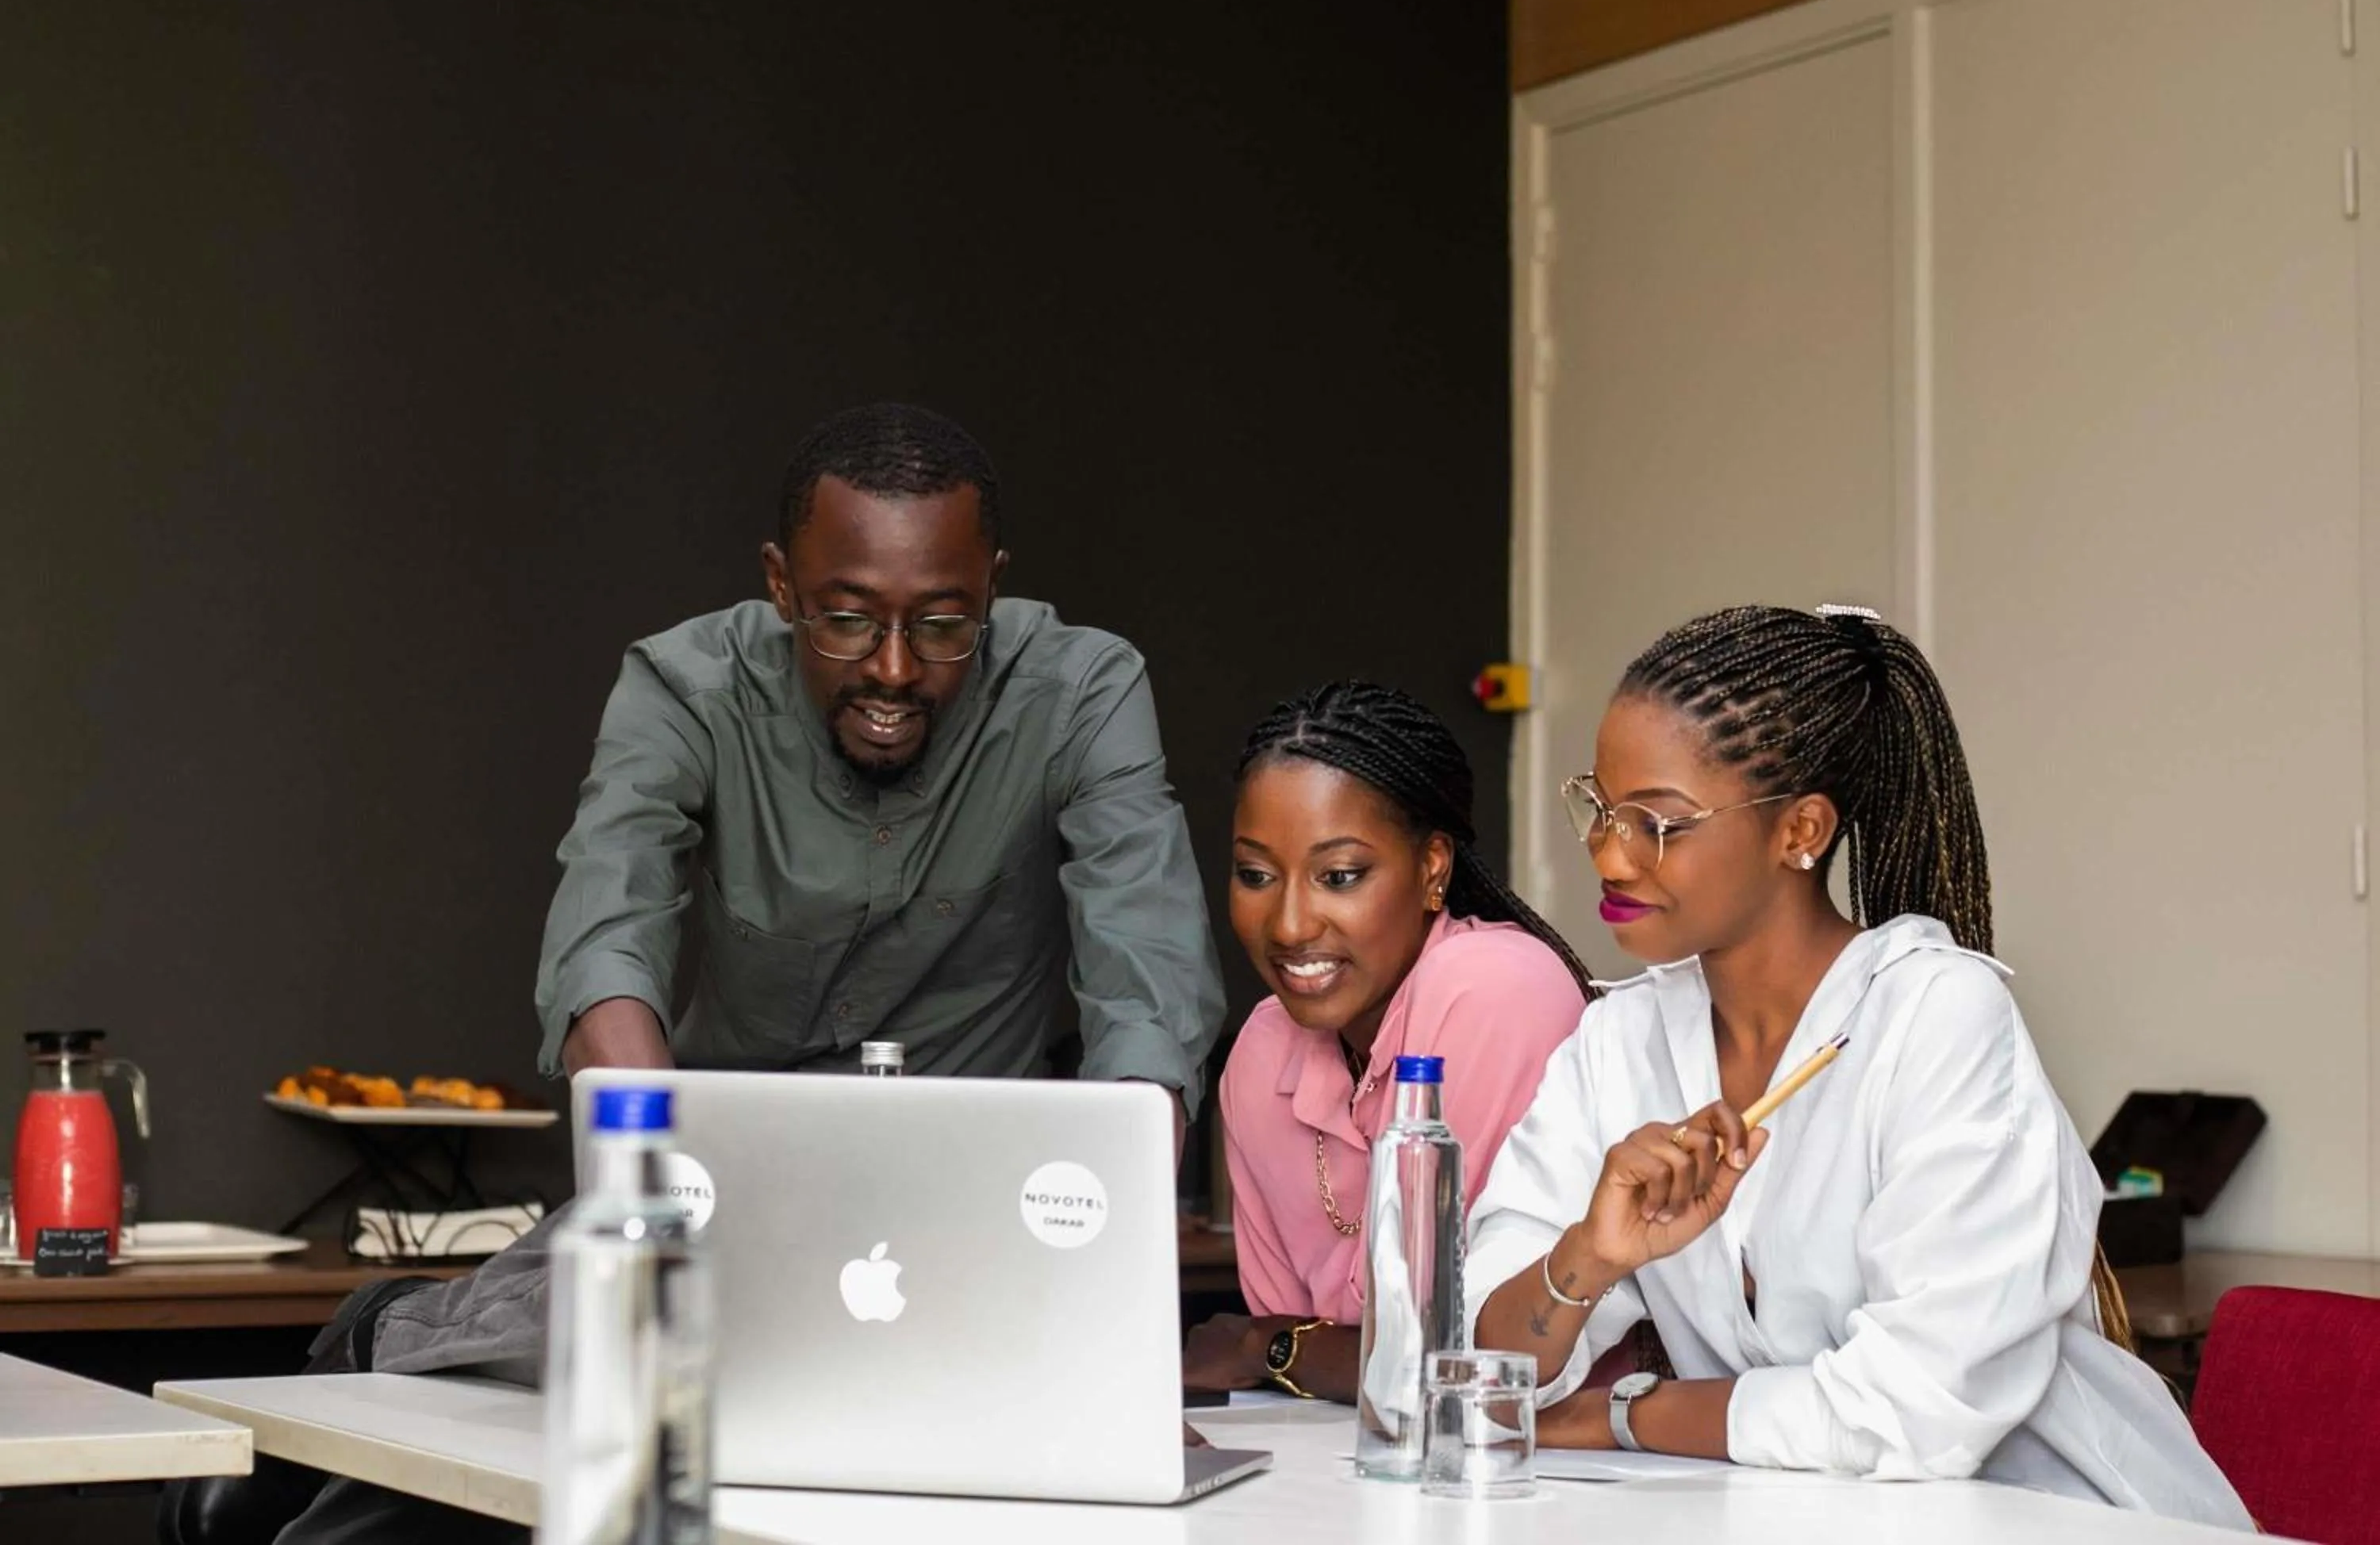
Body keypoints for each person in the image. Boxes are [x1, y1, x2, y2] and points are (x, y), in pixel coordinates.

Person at [161, 402, 1226, 1545]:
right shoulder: (682, 685)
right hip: (712, 1200)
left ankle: (424, 1335)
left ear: (994, 586)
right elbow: (605, 930)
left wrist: (1103, 1272)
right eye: (848, 620)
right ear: (780, 583)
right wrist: (665, 1208)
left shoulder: (1085, 689)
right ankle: (416, 1333)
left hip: (966, 1228)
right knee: (606, 1360)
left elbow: (1148, 971)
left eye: (945, 624)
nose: (898, 668)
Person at [1468, 604, 2250, 1528]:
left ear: (1800, 831)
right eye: (1599, 807)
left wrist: (1630, 1414)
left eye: (1658, 824)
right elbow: (1487, 1373)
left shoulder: (1937, 1016)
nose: (1608, 853)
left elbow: (1917, 1409)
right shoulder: (1619, 1043)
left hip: (2054, 1515)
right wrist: (1587, 1257)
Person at [1183, 680, 1649, 1403]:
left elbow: (1453, 1365)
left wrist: (1262, 1347)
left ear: (1433, 868)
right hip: (1354, 1460)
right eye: (1256, 875)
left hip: (1570, 1465)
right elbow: (1316, 1350)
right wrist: (1290, 1348)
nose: (1290, 924)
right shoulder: (1260, 1053)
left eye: (1340, 876)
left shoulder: (1495, 987)